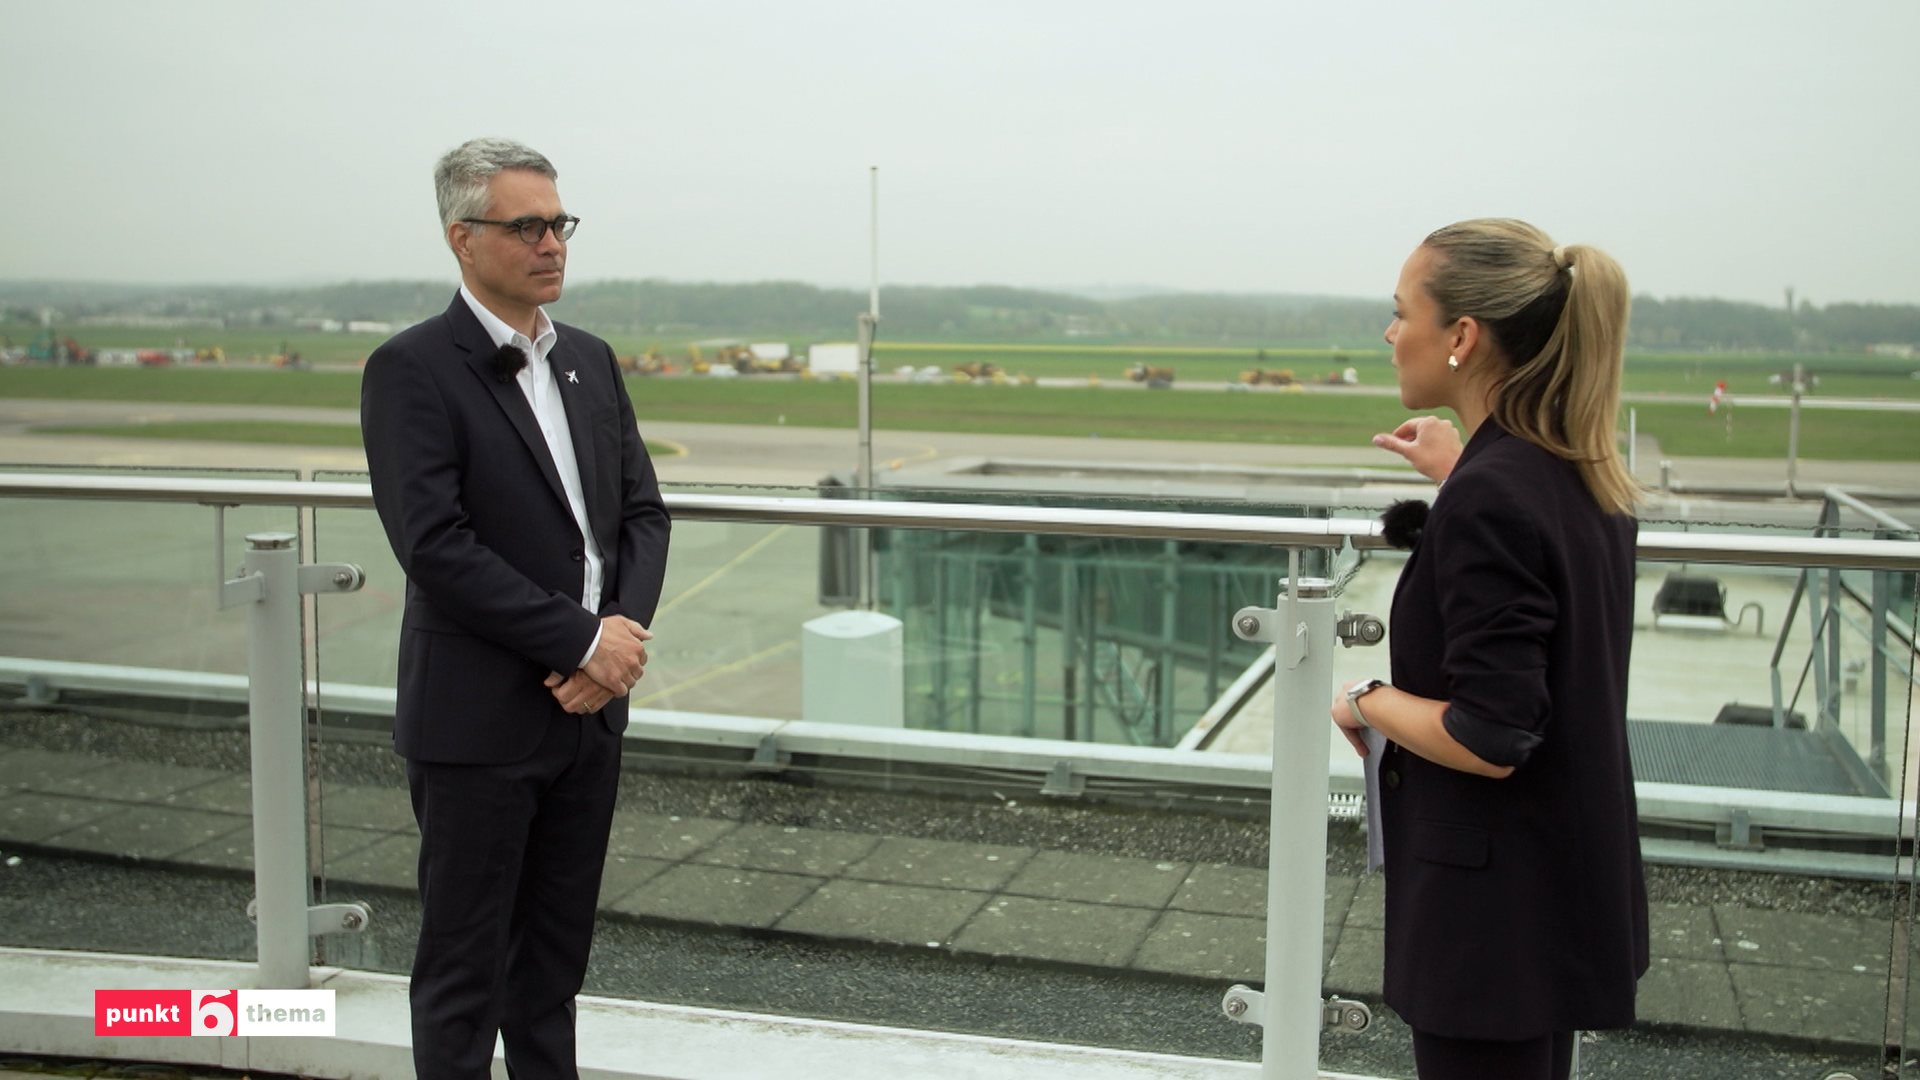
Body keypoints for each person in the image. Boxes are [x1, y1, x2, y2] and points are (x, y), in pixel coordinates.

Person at [361, 137, 671, 1079]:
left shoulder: (588, 358)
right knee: (463, 971)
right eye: (525, 226)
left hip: (586, 717)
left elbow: (643, 516)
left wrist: (612, 647)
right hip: (479, 722)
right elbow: (435, 544)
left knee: (551, 972)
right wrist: (583, 642)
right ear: (462, 238)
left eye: (559, 223)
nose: (551, 244)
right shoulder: (412, 368)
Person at [1331, 219, 1646, 1080]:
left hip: (1491, 918)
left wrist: (1365, 700)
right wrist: (1461, 471)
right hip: (1554, 889)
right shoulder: (1572, 469)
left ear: (1462, 336)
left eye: (1402, 313)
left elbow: (1491, 733)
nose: (1391, 334)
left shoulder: (1494, 497)